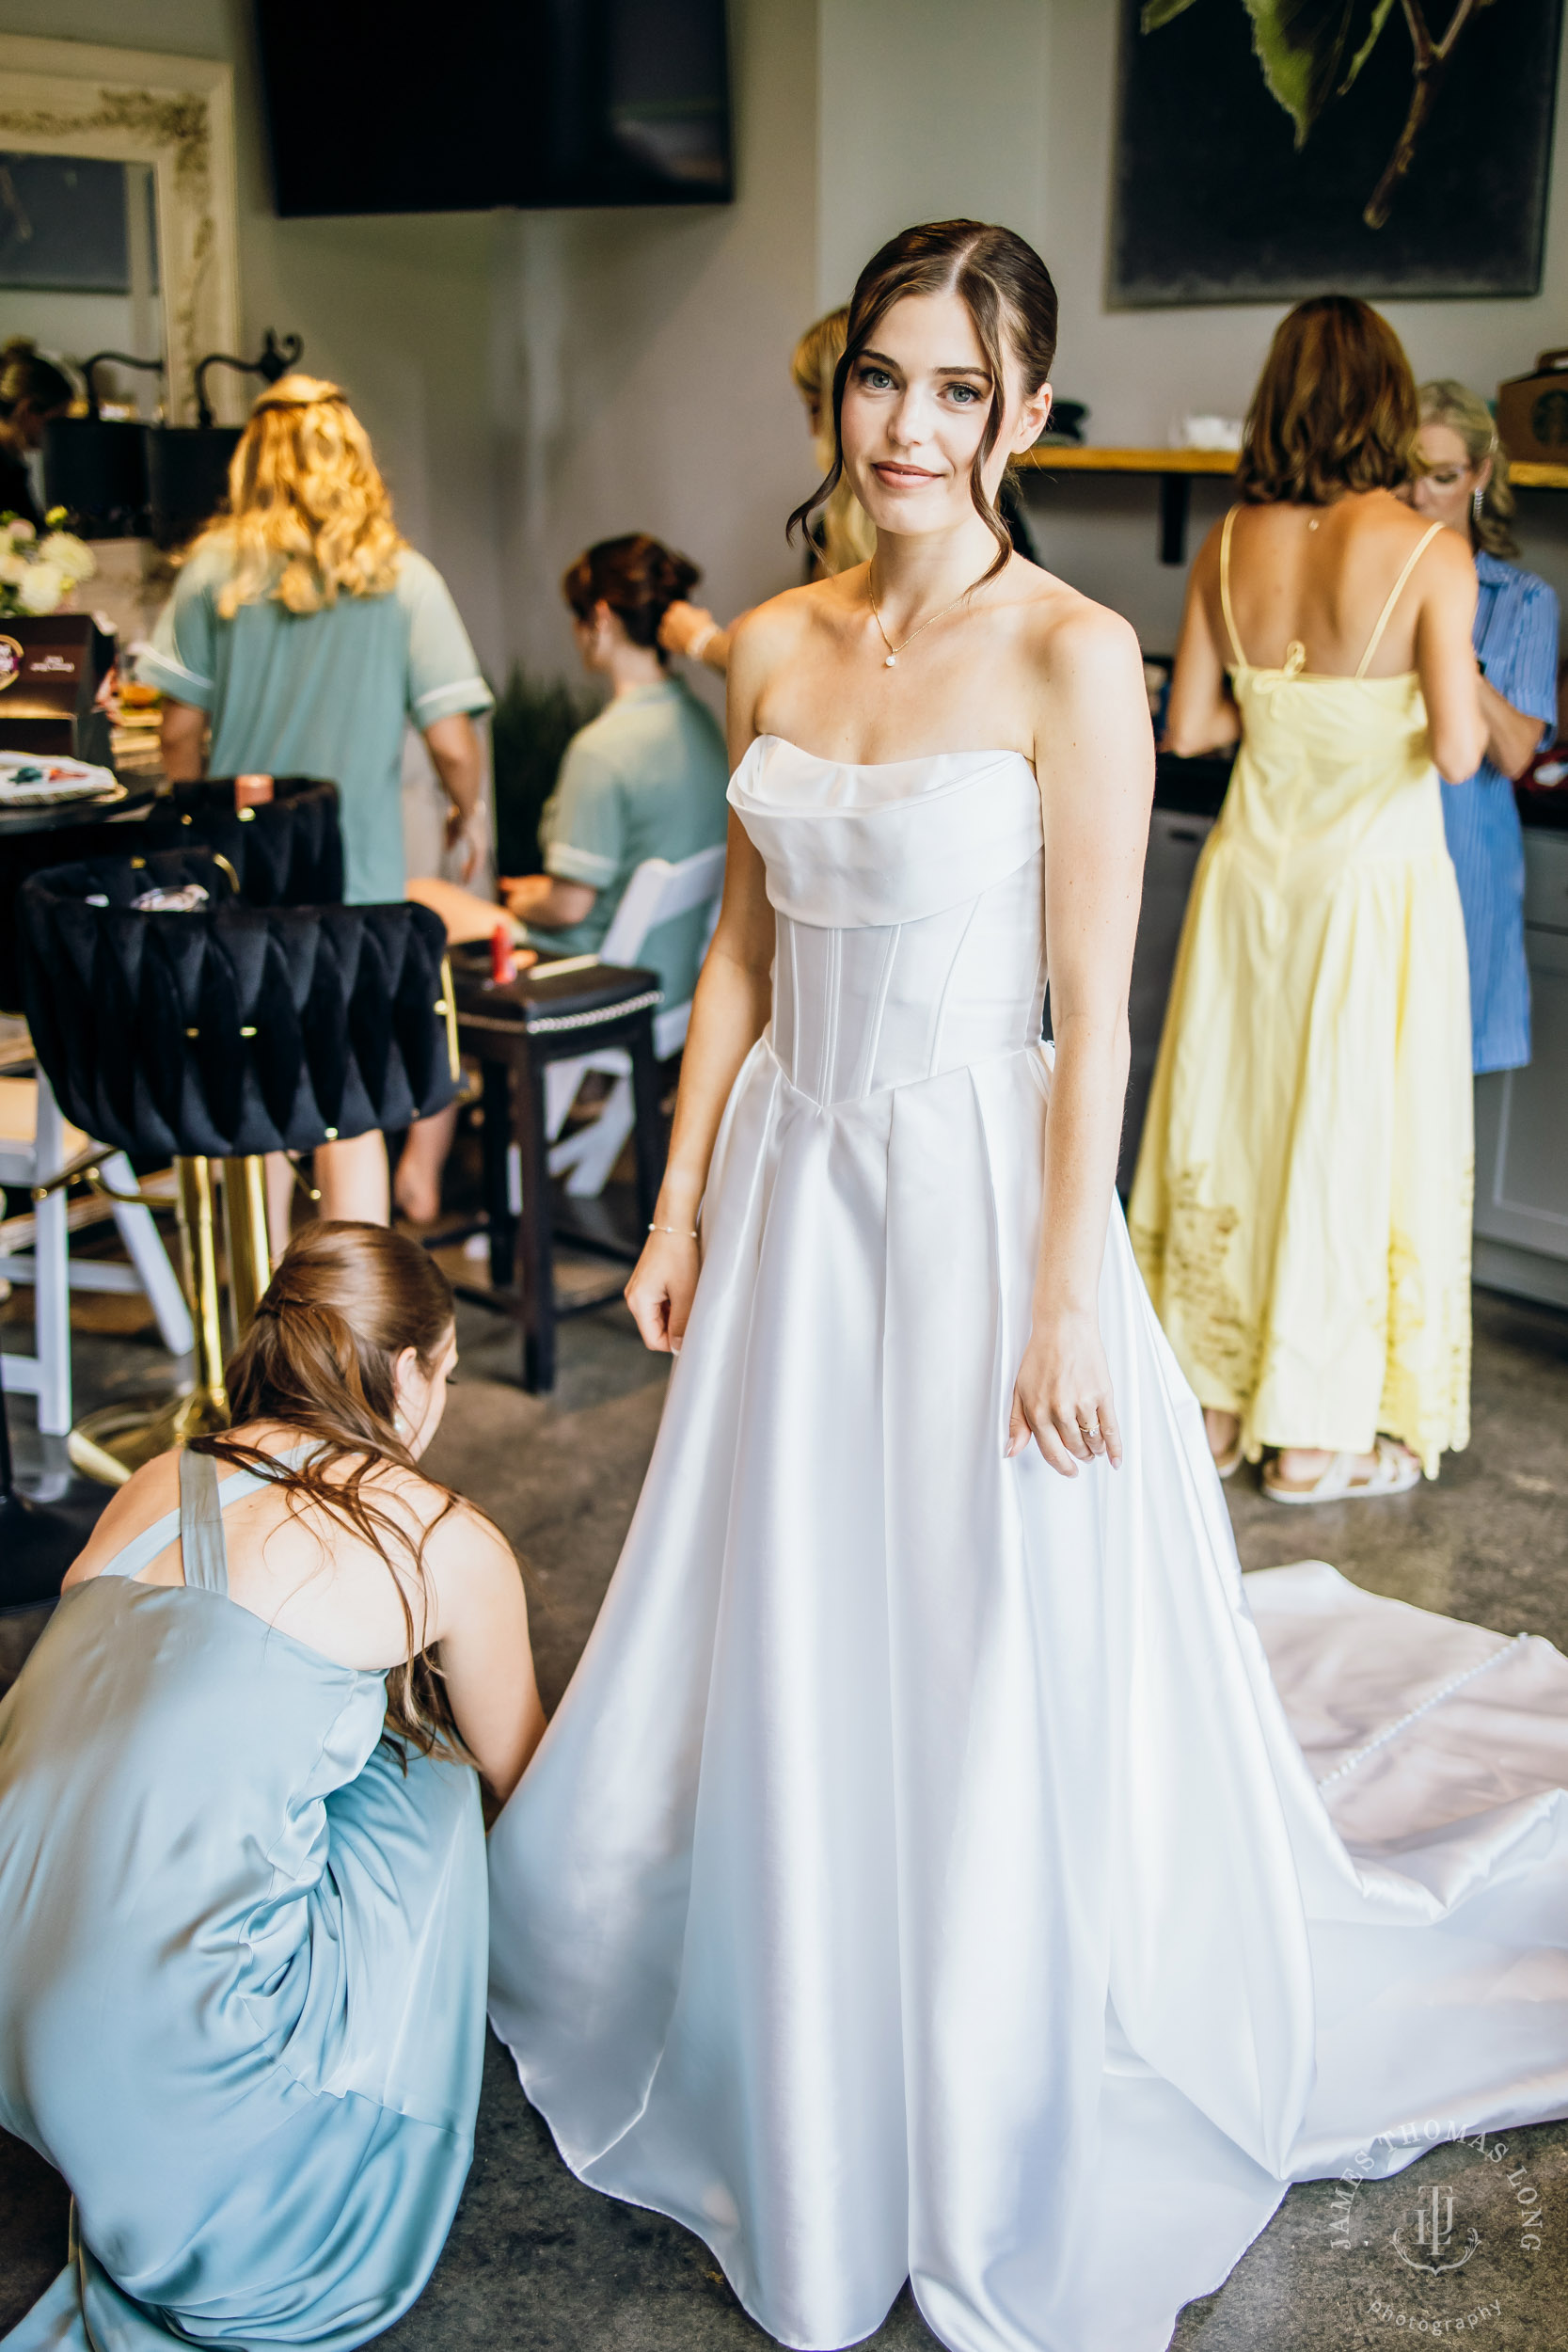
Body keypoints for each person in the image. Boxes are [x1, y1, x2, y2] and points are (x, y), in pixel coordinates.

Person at [485, 226, 1568, 2352]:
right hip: (803, 1180)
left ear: (1024, 416)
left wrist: (1072, 1294)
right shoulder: (772, 644)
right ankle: (796, 1981)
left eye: (957, 391)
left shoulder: (1074, 654)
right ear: (842, 391)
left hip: (986, 1197)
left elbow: (1099, 1007)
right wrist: (686, 1191)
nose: (908, 425)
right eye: (883, 378)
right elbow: (741, 953)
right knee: (794, 1600)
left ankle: (984, 2021)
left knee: (980, 1606)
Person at [0, 1220, 543, 2352]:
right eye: (442, 1374)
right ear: (410, 1373)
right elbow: (525, 1775)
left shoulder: (157, 1477)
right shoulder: (438, 1537)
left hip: (20, 2034)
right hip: (203, 2094)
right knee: (429, 1773)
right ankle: (277, 2151)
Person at [1131, 297, 1484, 1504]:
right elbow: (1452, 754)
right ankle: (1317, 1435)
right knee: (1344, 1139)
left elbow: (1185, 727)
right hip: (1367, 890)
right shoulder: (1430, 553)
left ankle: (1215, 1407)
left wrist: (1277, 701)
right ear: (1388, 404)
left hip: (1248, 878)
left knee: (1234, 1122)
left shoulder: (1231, 539)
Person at [136, 375, 494, 1229]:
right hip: (354, 885)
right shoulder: (405, 579)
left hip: (241, 886)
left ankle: (261, 1311)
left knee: (253, 1098)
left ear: (251, 462)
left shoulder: (211, 574)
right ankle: (354, 1322)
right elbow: (451, 740)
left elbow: (178, 731)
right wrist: (465, 810)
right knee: (347, 1099)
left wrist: (194, 815)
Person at [393, 532, 728, 1225]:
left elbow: (570, 899)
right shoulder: (697, 720)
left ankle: (423, 1152)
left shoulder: (602, 751)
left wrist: (523, 898)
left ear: (600, 619)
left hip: (593, 969)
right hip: (673, 977)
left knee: (417, 902)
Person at [1411, 378, 1560, 1074]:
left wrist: (1454, 661)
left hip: (1464, 860)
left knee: (1440, 1087)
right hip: (1364, 857)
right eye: (1405, 473)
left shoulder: (1522, 601)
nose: (1418, 496)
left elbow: (1516, 747)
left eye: (1440, 476)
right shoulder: (1365, 589)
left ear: (1477, 473)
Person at [0, 341, 72, 528]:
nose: (58, 433)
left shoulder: (12, 463)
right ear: (28, 410)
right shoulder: (5, 472)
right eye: (55, 420)